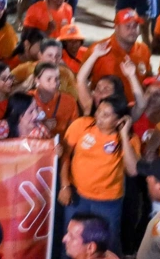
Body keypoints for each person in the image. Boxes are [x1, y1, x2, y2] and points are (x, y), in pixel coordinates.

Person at [59, 96, 140, 257]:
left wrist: (123, 135)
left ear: (119, 120)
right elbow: (65, 155)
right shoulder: (82, 125)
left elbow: (133, 171)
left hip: (108, 202)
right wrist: (65, 185)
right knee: (72, 241)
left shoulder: (130, 139)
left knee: (107, 244)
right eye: (99, 111)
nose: (99, 117)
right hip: (77, 196)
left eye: (106, 114)